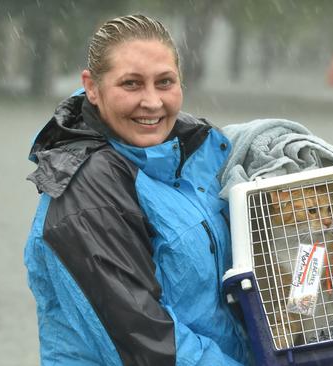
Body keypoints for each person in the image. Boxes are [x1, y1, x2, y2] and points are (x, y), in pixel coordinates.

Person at [24, 14, 251, 365]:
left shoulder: (185, 160)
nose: (152, 102)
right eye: (131, 84)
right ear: (92, 88)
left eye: (164, 82)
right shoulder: (88, 193)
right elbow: (148, 344)